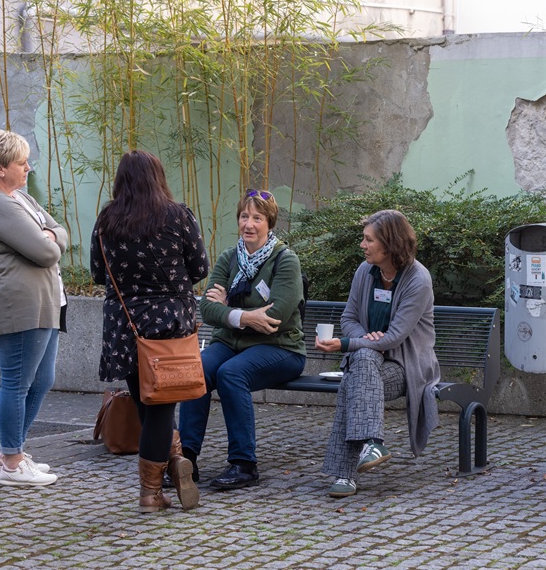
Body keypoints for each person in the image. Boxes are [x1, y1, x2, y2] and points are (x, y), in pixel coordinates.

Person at [90, 150, 209, 512]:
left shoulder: (106, 220)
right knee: (159, 410)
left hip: (124, 328)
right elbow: (200, 266)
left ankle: (172, 460)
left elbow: (98, 274)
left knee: (147, 404)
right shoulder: (177, 215)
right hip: (167, 326)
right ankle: (151, 493)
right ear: (158, 177)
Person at [178, 189, 306, 490]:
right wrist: (246, 316)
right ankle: (185, 461)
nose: (249, 224)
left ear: (269, 223)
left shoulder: (285, 261)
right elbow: (207, 309)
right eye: (244, 216)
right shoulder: (228, 257)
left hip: (280, 349)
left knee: (231, 373)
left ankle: (244, 464)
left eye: (257, 218)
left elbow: (277, 317)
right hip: (230, 344)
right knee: (196, 369)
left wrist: (229, 310)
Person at [315, 209, 440, 498]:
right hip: (369, 361)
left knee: (355, 374)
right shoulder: (365, 272)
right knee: (363, 362)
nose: (363, 245)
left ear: (389, 244)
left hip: (405, 366)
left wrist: (347, 344)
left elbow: (393, 338)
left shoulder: (417, 280)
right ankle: (373, 443)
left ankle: (345, 475)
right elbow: (348, 318)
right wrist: (363, 338)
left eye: (368, 240)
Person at [0, 129, 67, 487]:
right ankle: (12, 461)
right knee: (17, 383)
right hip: (18, 305)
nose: (28, 167)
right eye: (21, 162)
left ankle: (13, 453)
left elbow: (60, 232)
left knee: (42, 380)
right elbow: (47, 252)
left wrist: (49, 234)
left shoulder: (19, 197)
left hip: (43, 302)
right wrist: (48, 239)